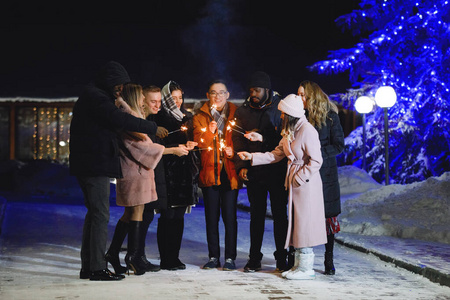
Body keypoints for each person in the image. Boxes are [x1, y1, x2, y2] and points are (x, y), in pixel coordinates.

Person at [69, 61, 167, 281]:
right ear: (110, 80)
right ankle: (96, 268)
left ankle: (90, 266)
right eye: (119, 85)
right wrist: (151, 127)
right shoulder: (96, 97)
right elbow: (119, 119)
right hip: (94, 164)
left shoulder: (95, 96)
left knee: (95, 215)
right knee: (100, 215)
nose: (121, 89)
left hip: (92, 162)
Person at [238, 94, 327, 280]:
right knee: (296, 222)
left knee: (304, 222)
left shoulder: (307, 131)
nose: (280, 116)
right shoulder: (290, 131)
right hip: (295, 183)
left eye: (282, 113)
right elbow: (276, 154)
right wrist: (252, 158)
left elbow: (316, 160)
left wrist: (300, 177)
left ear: (290, 113)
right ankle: (298, 265)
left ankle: (306, 267)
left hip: (305, 184)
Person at [232, 71, 290, 272]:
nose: (253, 94)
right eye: (251, 90)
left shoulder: (280, 108)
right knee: (256, 217)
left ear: (267, 89)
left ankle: (282, 257)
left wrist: (263, 139)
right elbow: (237, 141)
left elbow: (286, 140)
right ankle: (254, 258)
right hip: (254, 173)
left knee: (280, 216)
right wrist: (241, 167)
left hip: (277, 170)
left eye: (257, 90)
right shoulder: (243, 111)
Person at [107, 83, 165, 276]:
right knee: (136, 212)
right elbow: (141, 148)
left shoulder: (132, 117)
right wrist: (172, 150)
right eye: (144, 98)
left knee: (130, 213)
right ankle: (133, 257)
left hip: (137, 172)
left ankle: (115, 253)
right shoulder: (130, 119)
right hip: (134, 173)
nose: (145, 102)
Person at [192, 80, 242, 271]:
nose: (218, 96)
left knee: (230, 218)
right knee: (211, 218)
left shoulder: (237, 115)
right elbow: (197, 142)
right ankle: (213, 256)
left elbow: (243, 140)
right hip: (209, 172)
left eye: (221, 93)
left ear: (227, 95)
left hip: (230, 173)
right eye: (214, 93)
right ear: (208, 95)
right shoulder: (200, 117)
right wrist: (209, 134)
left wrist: (234, 153)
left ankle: (230, 257)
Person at [298, 80, 345, 275]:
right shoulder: (299, 117)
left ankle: (329, 258)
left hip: (325, 174)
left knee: (327, 218)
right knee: (304, 216)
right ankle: (300, 257)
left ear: (311, 96)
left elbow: (339, 145)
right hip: (305, 173)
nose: (300, 98)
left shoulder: (330, 117)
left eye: (303, 95)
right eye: (298, 95)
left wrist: (316, 153)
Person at [153, 80, 199, 270]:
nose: (178, 101)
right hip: (167, 172)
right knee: (167, 217)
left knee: (179, 217)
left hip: (184, 174)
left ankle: (175, 257)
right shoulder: (158, 119)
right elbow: (154, 147)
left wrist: (191, 146)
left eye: (180, 97)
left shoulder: (187, 117)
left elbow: (193, 140)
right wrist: (173, 148)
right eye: (174, 98)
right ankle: (166, 258)